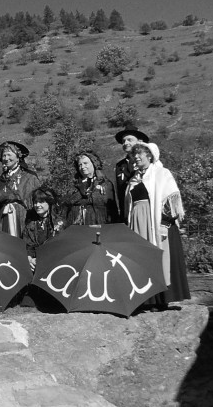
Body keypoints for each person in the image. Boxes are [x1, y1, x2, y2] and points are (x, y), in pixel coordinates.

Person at [125, 142, 190, 305]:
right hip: (138, 224)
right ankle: (147, 300)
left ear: (150, 155)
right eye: (135, 154)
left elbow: (171, 199)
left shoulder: (161, 173)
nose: (136, 157)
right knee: (142, 260)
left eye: (140, 153)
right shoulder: (133, 178)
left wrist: (164, 224)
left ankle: (163, 299)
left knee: (161, 259)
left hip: (156, 223)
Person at [0, 141, 40, 237]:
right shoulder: (0, 181)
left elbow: (38, 199)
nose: (6, 158)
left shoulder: (29, 177)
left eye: (9, 155)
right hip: (4, 219)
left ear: (18, 157)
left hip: (23, 218)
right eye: (4, 155)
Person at [63, 151, 118, 226]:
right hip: (76, 226)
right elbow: (67, 203)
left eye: (85, 163)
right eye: (80, 165)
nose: (82, 167)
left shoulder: (105, 184)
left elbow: (109, 207)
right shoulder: (73, 185)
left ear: (94, 164)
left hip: (99, 224)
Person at [22, 187, 65, 272]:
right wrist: (29, 259)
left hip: (55, 266)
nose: (37, 205)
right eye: (35, 202)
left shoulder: (59, 224)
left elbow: (62, 249)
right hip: (35, 267)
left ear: (49, 203)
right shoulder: (30, 223)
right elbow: (26, 246)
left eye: (41, 202)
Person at [114, 128, 150, 222]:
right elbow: (120, 192)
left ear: (140, 141)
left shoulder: (149, 162)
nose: (125, 143)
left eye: (129, 140)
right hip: (126, 214)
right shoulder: (119, 166)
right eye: (123, 141)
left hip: (145, 213)